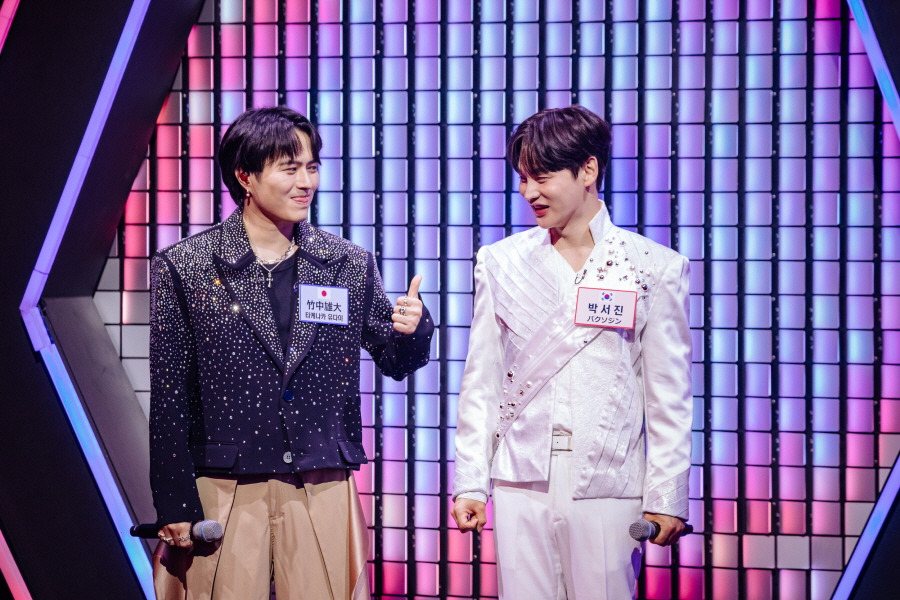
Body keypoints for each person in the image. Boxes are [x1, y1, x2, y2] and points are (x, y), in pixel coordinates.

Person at [149, 106, 433, 600]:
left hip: (321, 479)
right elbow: (169, 393)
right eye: (290, 168)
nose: (306, 182)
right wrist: (173, 501)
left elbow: (394, 360)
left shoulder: (346, 263)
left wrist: (415, 328)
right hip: (223, 482)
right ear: (245, 176)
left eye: (312, 167)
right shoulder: (186, 266)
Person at [450, 105, 692, 599]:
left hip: (607, 481)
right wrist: (471, 482)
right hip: (519, 478)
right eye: (522, 179)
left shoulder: (653, 266)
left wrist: (667, 494)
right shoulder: (500, 262)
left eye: (541, 177)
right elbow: (482, 382)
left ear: (588, 170)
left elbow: (668, 395)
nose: (528, 193)